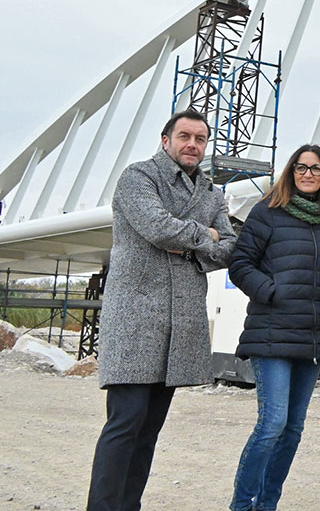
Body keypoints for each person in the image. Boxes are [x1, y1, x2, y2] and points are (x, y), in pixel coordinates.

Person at [88, 109, 238, 511]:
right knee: (125, 423)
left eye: (200, 138)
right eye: (185, 136)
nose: (193, 144)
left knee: (149, 430)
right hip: (134, 319)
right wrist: (202, 235)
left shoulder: (211, 192)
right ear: (165, 139)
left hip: (180, 322)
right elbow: (156, 227)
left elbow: (229, 246)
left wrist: (188, 241)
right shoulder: (138, 177)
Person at [228, 144, 320, 511]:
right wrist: (272, 292)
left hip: (310, 339)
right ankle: (242, 505)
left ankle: (268, 504)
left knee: (293, 430)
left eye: (316, 169)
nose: (308, 174)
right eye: (301, 168)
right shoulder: (267, 213)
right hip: (272, 332)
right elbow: (240, 263)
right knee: (272, 425)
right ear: (291, 173)